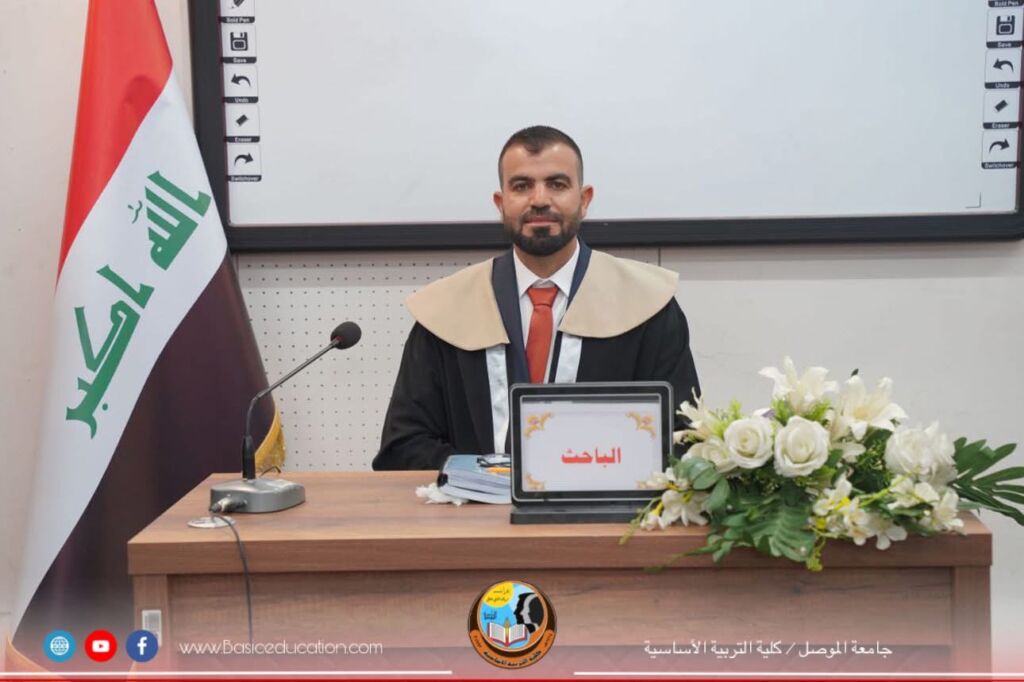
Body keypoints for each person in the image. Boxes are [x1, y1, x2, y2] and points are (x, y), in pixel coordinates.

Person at [372, 126, 699, 470]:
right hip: (471, 503)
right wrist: (485, 475)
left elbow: (681, 439)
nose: (540, 199)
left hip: (604, 503)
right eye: (521, 186)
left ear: (584, 200)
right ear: (500, 203)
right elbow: (404, 446)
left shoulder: (647, 304)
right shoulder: (446, 309)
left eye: (557, 184)